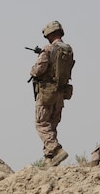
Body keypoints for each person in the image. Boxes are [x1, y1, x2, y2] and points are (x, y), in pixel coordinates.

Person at [29, 21, 74, 166]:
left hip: (47, 93)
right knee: (51, 126)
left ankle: (56, 149)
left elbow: (38, 70)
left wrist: (33, 68)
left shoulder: (49, 49)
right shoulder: (68, 49)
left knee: (41, 123)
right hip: (61, 93)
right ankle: (50, 159)